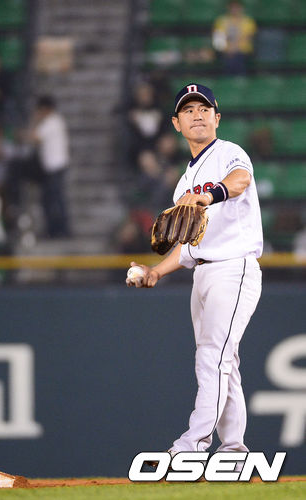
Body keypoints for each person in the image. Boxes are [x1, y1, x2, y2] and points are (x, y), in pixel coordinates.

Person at [127, 83, 263, 463]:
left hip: (233, 268)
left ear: (217, 118)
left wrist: (209, 195)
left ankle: (192, 446)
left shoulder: (229, 153)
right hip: (202, 274)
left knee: (213, 357)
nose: (197, 114)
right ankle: (233, 450)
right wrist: (156, 271)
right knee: (223, 362)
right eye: (188, 110)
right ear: (176, 123)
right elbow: (188, 248)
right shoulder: (183, 185)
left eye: (204, 108)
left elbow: (241, 180)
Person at [30, 95, 70, 238]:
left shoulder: (52, 122)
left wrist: (35, 120)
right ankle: (55, 229)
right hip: (51, 168)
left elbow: (35, 137)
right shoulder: (55, 121)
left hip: (55, 168)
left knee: (55, 201)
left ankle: (61, 230)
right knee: (51, 200)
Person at [212, 1, 257, 75]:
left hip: (242, 51)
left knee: (237, 59)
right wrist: (227, 49)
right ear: (228, 8)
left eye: (237, 7)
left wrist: (234, 48)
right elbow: (218, 38)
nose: (234, 10)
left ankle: (240, 79)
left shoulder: (248, 21)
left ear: (241, 8)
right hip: (225, 52)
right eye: (232, 7)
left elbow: (248, 37)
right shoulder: (221, 21)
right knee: (227, 60)